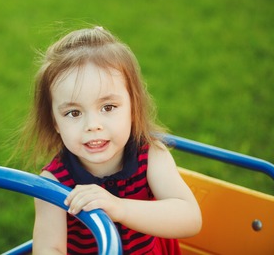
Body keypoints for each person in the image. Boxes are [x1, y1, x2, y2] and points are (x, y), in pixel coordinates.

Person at [17, 26, 202, 254]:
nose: (93, 125)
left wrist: (120, 208)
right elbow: (49, 248)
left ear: (133, 108)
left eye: (108, 107)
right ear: (55, 121)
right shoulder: (54, 181)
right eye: (74, 113)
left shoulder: (151, 154)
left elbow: (190, 218)